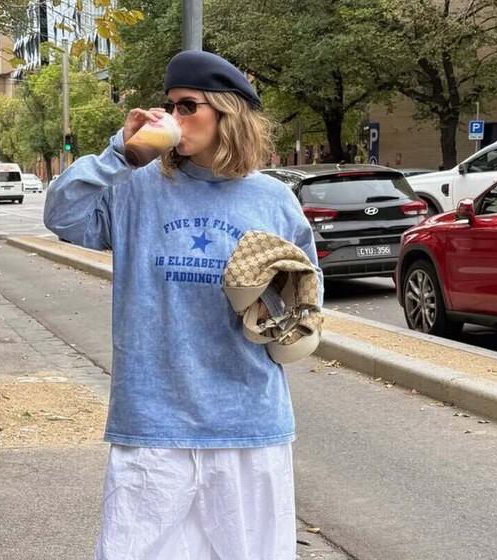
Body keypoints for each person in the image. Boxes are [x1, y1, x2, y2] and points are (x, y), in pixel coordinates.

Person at [44, 50, 322, 560]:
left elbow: (306, 296)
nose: (173, 116)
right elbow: (62, 216)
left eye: (188, 106)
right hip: (153, 422)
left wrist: (271, 303)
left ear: (227, 113)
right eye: (170, 105)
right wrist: (120, 152)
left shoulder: (273, 199)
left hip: (247, 420)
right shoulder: (136, 188)